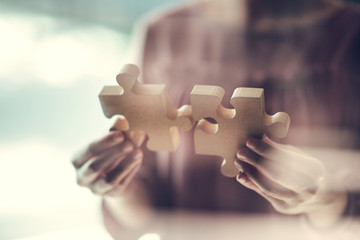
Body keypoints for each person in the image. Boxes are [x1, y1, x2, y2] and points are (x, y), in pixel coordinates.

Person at [71, 0, 360, 238]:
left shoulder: (351, 37)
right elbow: (143, 215)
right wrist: (115, 187)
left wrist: (325, 199)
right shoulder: (159, 34)